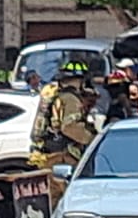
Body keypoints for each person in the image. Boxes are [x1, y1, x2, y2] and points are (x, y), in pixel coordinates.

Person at [38, 61, 97, 204]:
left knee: (52, 201)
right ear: (80, 80)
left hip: (51, 157)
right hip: (65, 157)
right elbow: (70, 127)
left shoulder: (58, 96)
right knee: (73, 200)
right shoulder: (70, 99)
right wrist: (93, 140)